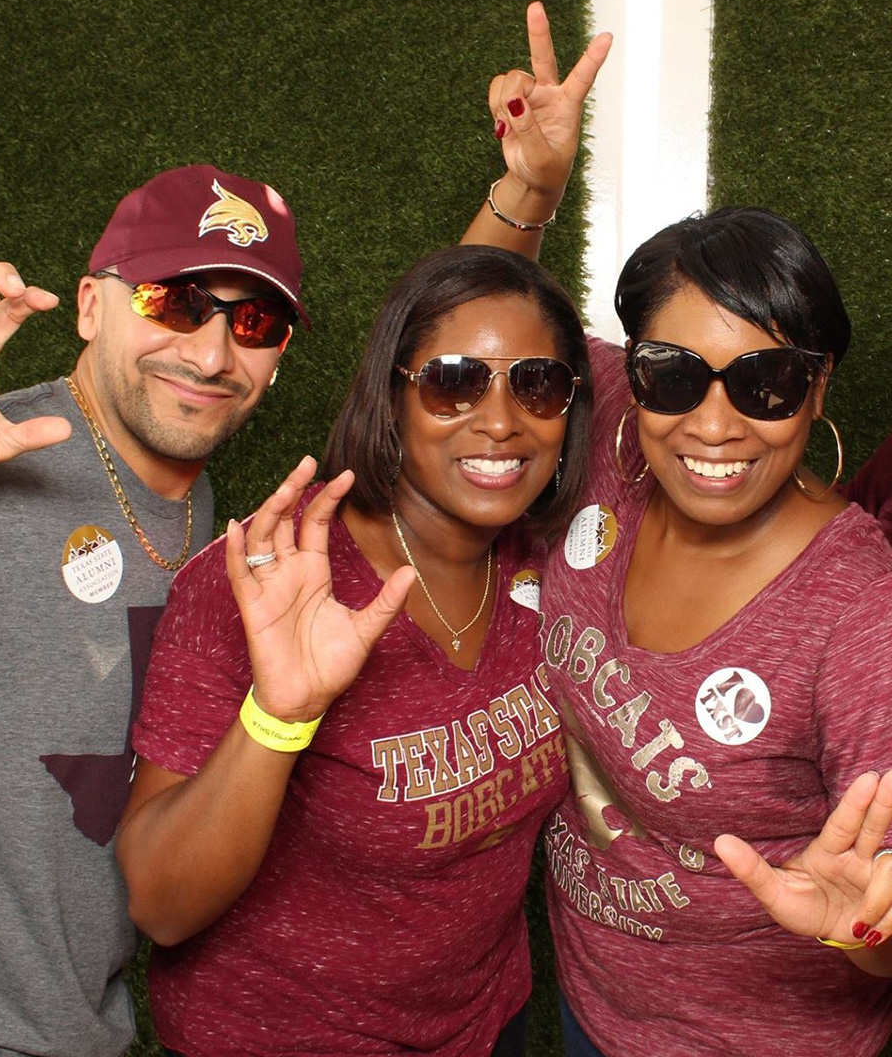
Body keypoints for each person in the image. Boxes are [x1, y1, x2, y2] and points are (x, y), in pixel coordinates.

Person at [0, 164, 311, 1056]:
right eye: (173, 302)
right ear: (90, 306)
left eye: (253, 322)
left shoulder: (210, 515)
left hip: (79, 1028)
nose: (209, 354)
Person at [116, 243, 593, 1056]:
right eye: (453, 381)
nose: (502, 420)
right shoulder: (272, 577)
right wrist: (282, 713)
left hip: (485, 1024)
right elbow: (160, 905)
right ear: (393, 395)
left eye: (538, 385)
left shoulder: (555, 565)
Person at [528, 206, 892, 1057]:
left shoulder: (861, 615)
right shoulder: (617, 416)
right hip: (591, 999)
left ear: (819, 386)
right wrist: (528, 195)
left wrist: (867, 937)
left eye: (766, 382)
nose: (714, 425)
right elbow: (480, 327)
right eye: (677, 375)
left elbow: (876, 896)